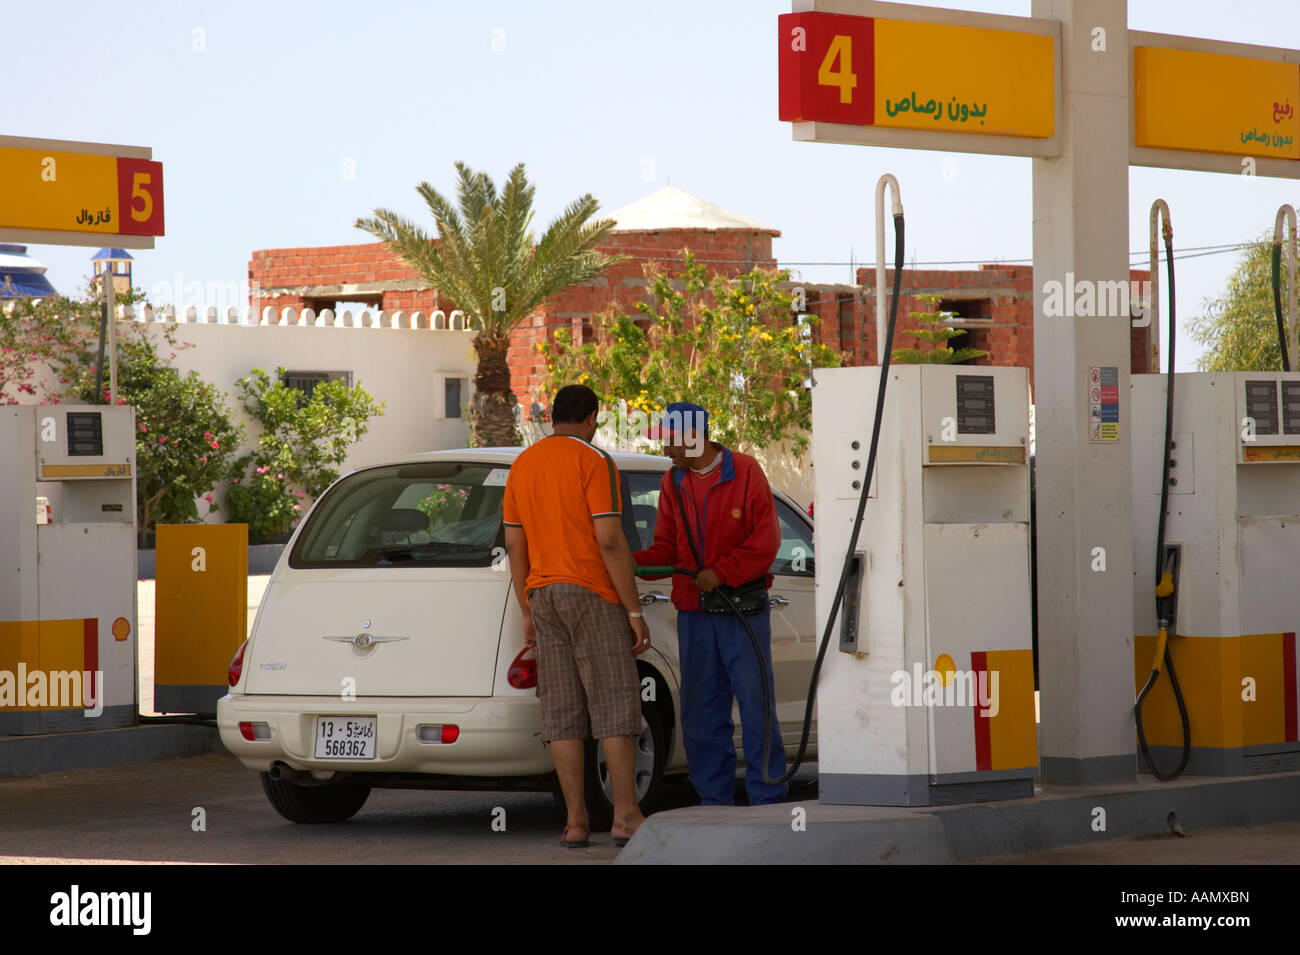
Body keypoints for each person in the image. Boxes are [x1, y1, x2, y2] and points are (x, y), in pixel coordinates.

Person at [502, 384, 652, 848]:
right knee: (615, 706)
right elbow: (609, 539)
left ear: (553, 417)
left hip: (543, 596)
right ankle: (625, 816)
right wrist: (633, 610)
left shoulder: (523, 464)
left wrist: (527, 610)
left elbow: (515, 545)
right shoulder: (593, 460)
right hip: (592, 593)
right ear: (591, 418)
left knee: (562, 711)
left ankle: (575, 823)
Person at [633, 401, 787, 806]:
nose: (666, 449)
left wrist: (722, 571)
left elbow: (766, 541)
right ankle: (713, 800)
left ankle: (767, 797)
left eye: (670, 441)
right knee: (701, 709)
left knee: (755, 704)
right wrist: (627, 563)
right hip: (694, 612)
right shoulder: (673, 481)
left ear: (692, 437)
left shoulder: (747, 471)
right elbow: (666, 548)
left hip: (742, 610)